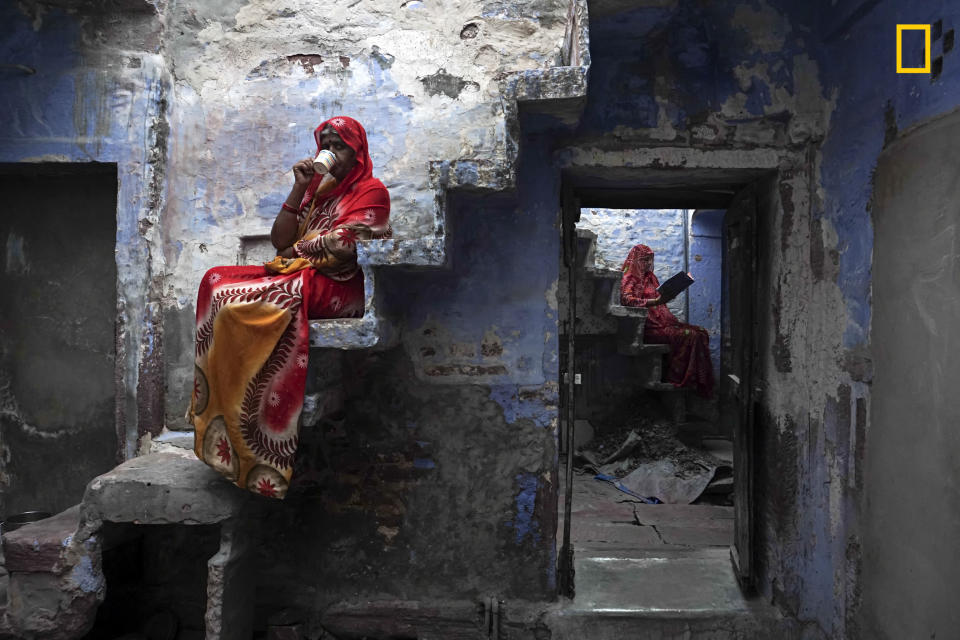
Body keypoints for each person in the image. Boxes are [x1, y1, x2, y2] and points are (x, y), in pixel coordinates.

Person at [188, 116, 391, 499]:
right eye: (324, 143)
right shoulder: (318, 189)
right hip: (301, 273)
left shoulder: (371, 191)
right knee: (213, 280)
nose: (328, 151)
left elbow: (346, 246)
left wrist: (293, 253)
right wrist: (299, 189)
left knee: (232, 305)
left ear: (357, 151)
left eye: (339, 145)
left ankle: (254, 434)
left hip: (340, 287)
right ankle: (218, 414)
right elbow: (279, 240)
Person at [620, 244, 714, 398]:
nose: (648, 264)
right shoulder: (629, 277)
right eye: (644, 260)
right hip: (649, 327)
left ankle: (699, 381)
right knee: (691, 336)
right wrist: (656, 301)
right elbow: (626, 300)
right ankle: (678, 377)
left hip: (664, 322)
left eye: (650, 260)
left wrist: (668, 295)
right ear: (636, 260)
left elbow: (659, 299)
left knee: (701, 333)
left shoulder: (651, 277)